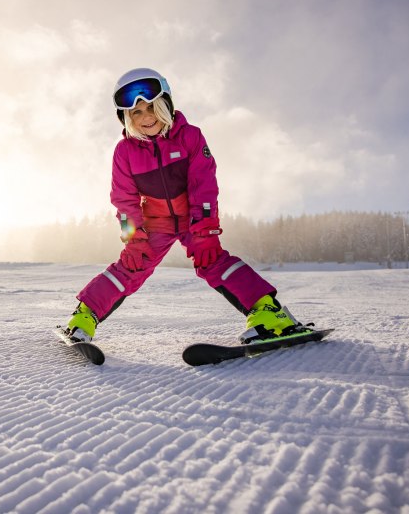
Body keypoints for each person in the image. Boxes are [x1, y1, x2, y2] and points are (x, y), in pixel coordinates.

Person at [64, 67, 304, 345]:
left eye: (151, 107)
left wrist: (205, 232)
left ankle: (269, 312)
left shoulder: (189, 136)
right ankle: (83, 317)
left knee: (212, 260)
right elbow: (123, 199)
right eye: (136, 113)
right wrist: (134, 238)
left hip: (192, 218)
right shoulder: (125, 151)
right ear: (127, 118)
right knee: (131, 265)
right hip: (156, 222)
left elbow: (204, 185)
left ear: (166, 104)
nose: (146, 117)